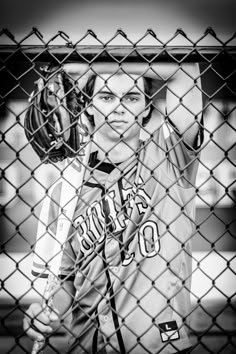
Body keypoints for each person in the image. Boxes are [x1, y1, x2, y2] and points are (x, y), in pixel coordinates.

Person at [23, 62, 203, 353]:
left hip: (157, 344)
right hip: (86, 344)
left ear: (146, 109)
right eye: (106, 96)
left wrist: (79, 67)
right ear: (89, 106)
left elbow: (187, 74)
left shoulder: (170, 159)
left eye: (132, 97)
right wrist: (46, 311)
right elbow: (64, 282)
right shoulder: (65, 190)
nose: (119, 107)